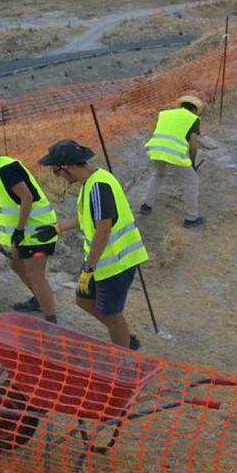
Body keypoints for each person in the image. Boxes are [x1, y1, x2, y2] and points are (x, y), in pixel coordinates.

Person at [39, 140, 148, 349]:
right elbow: (85, 217)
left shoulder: (98, 187)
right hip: (100, 261)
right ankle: (121, 333)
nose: (56, 176)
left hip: (115, 263)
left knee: (111, 313)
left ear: (69, 167)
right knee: (83, 300)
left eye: (56, 171)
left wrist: (89, 266)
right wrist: (57, 228)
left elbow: (103, 229)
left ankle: (123, 356)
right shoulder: (90, 184)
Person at [0, 127, 60, 323]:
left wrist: (19, 230)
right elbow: (5, 198)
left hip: (37, 232)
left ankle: (51, 320)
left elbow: (27, 197)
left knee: (35, 274)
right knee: (16, 264)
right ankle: (39, 300)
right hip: (29, 233)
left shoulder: (5, 168)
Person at [140, 93, 205, 228]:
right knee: (192, 182)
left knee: (158, 174)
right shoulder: (193, 118)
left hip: (155, 148)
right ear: (194, 110)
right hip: (174, 153)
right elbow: (193, 145)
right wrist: (192, 163)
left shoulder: (165, 114)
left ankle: (146, 206)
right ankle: (190, 218)